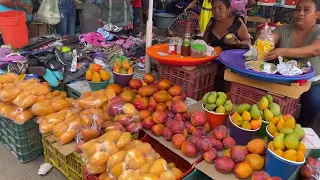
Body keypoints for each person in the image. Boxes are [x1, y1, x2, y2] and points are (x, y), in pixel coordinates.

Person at [265, 0, 320, 127]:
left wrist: (281, 51)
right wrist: (265, 38)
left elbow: (315, 50)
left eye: (306, 10)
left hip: (312, 82)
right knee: (269, 101)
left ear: (317, 14)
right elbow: (271, 38)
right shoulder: (284, 29)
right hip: (284, 80)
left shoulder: (318, 31)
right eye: (297, 9)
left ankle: (303, 128)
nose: (300, 13)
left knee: (314, 101)